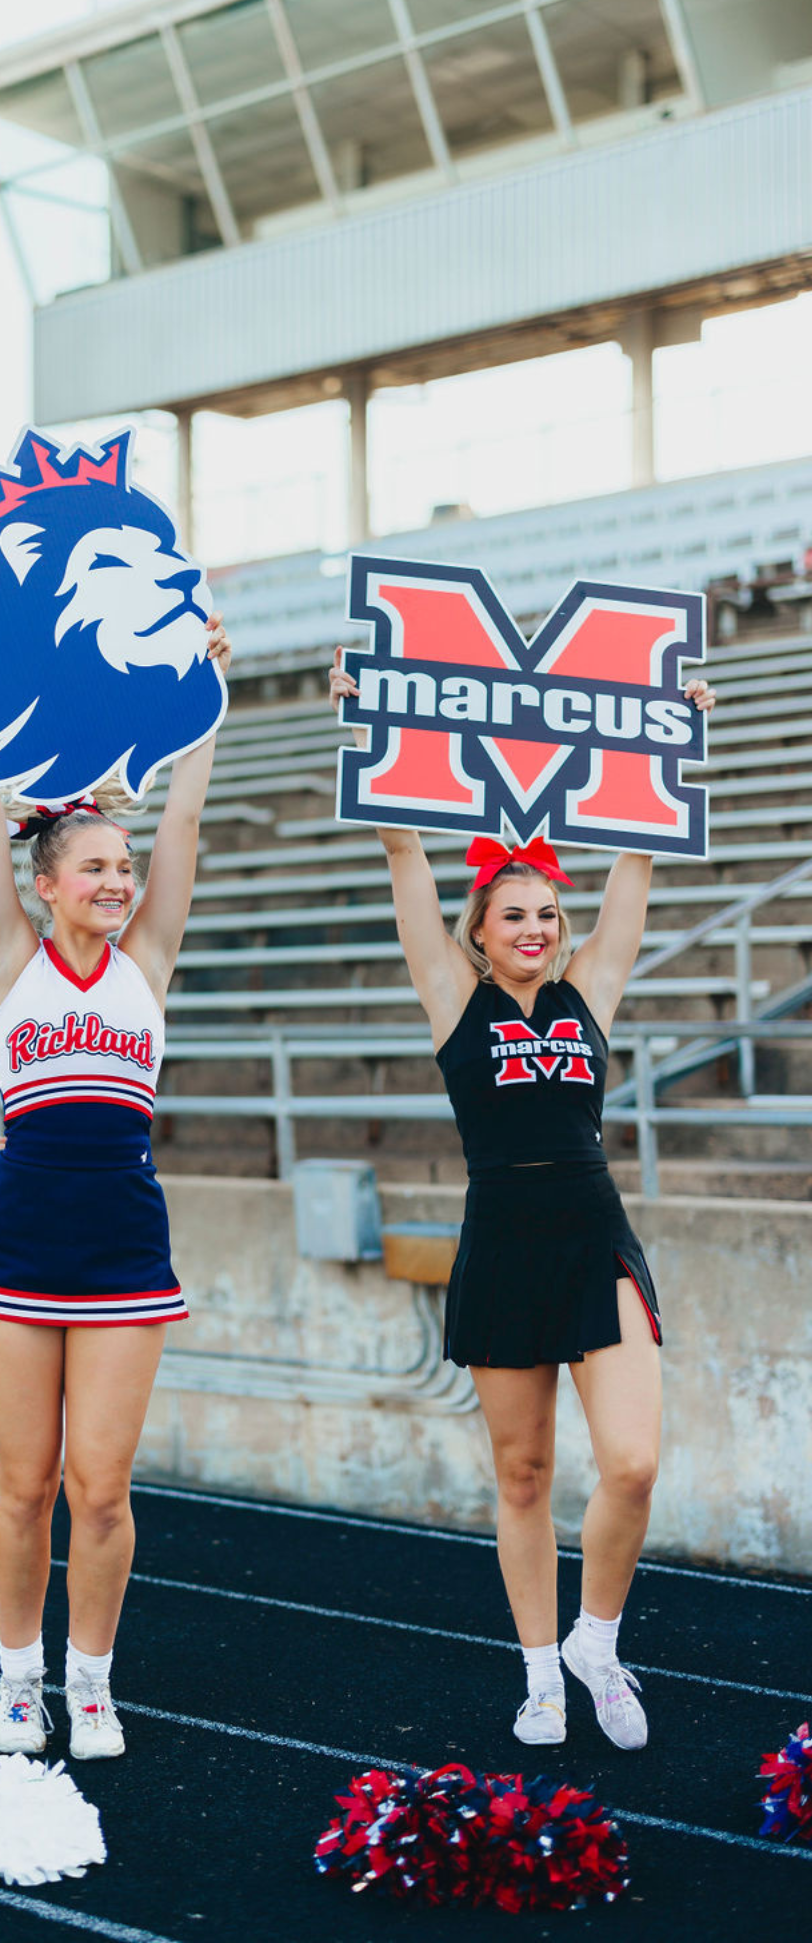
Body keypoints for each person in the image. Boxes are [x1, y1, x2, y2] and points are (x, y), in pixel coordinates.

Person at [331, 649, 715, 1753]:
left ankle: (599, 1637)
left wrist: (675, 730)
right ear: (482, 927)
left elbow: (639, 854)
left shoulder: (590, 989)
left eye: (551, 911)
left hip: (595, 1234)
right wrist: (366, 725)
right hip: (501, 1237)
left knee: (633, 1461)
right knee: (525, 1472)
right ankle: (542, 1671)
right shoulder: (453, 998)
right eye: (518, 915)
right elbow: (403, 847)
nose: (540, 928)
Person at [0, 592, 230, 1763]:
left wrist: (201, 699)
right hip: (16, 1237)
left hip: (120, 1237)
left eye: (124, 865)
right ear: (47, 880)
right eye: (97, 865)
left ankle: (91, 1679)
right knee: (26, 1483)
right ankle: (17, 1678)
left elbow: (188, 818)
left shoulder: (149, 958)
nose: (119, 878)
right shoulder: (11, 956)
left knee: (102, 1486)